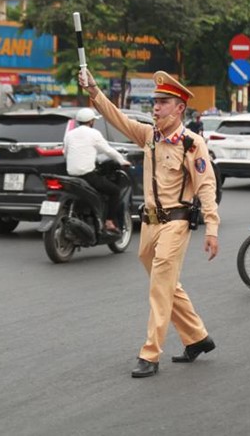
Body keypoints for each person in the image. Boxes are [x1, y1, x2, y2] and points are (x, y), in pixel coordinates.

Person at [80, 68, 219, 379]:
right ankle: (197, 337)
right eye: (155, 102)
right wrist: (94, 91)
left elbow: (206, 186)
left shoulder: (192, 144)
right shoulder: (149, 136)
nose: (156, 107)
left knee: (159, 287)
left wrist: (212, 228)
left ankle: (150, 354)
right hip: (150, 224)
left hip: (177, 222)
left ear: (180, 108)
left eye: (164, 102)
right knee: (167, 284)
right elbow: (117, 118)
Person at [64, 107, 130, 233]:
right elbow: (108, 150)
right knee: (114, 191)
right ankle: (109, 221)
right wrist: (122, 161)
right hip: (87, 176)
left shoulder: (70, 134)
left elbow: (66, 153)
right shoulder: (94, 134)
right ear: (91, 122)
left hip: (71, 175)